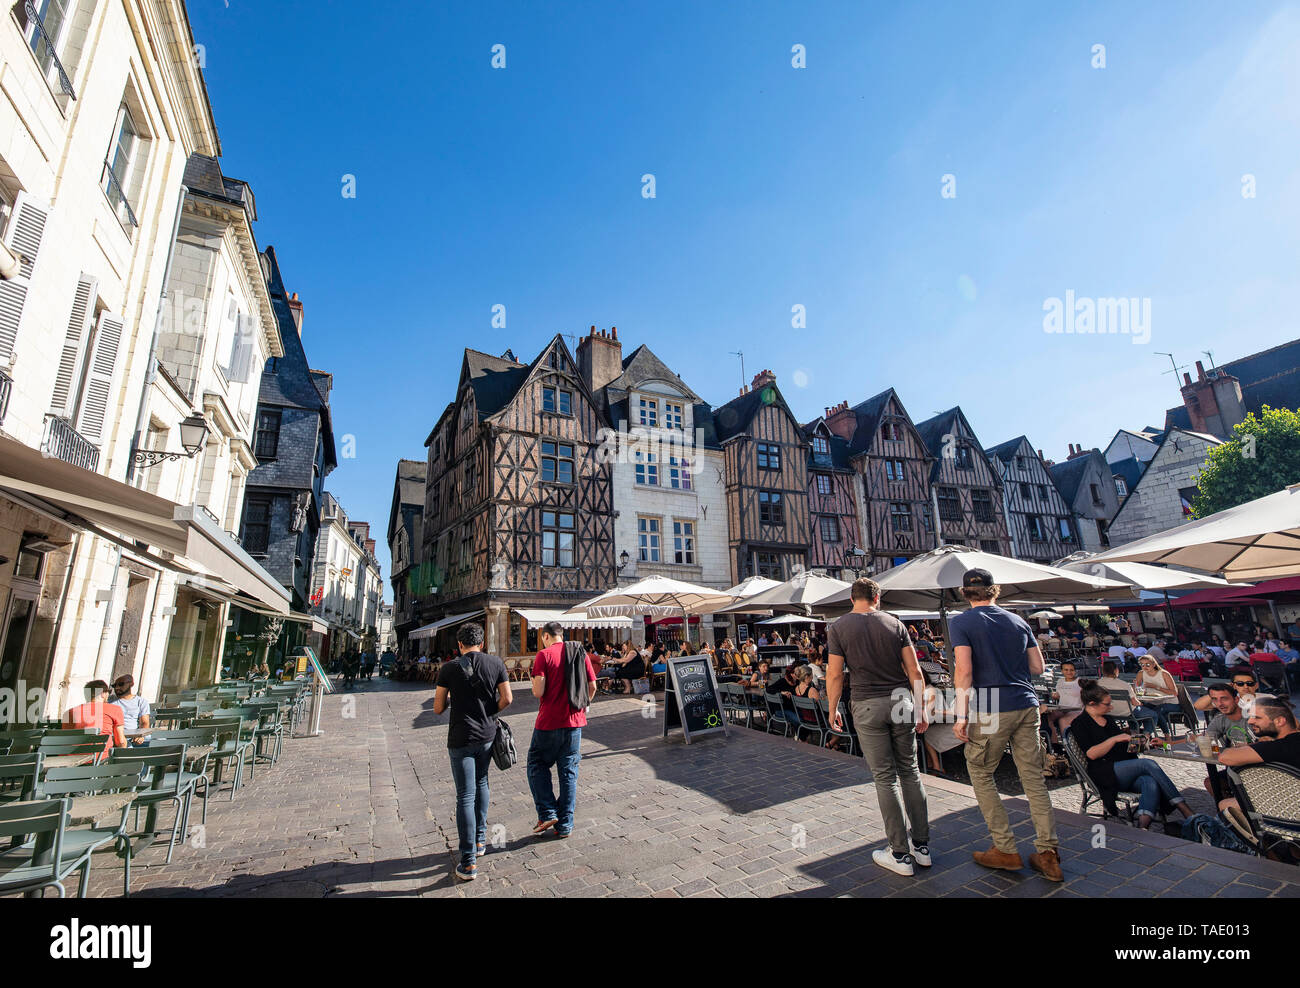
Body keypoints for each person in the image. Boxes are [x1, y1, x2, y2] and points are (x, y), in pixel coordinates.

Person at [949, 568, 1062, 882]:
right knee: (1033, 779)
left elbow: (964, 671)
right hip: (1026, 703)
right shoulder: (1018, 621)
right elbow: (1038, 666)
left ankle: (1005, 848)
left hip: (991, 706)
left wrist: (961, 715)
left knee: (980, 770)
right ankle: (1048, 853)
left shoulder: (961, 622)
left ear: (965, 593)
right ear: (994, 590)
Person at [825, 578, 930, 878]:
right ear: (877, 597)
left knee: (885, 777)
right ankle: (922, 847)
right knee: (910, 771)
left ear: (851, 598)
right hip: (901, 701)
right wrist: (921, 708)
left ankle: (899, 853)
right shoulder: (895, 624)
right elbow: (915, 670)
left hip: (867, 703)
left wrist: (832, 708)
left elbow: (835, 674)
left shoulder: (839, 628)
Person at [433, 622, 512, 882]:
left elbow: (437, 707)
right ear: (482, 642)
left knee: (465, 796)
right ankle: (479, 840)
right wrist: (489, 712)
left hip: (461, 737)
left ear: (459, 644)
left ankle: (468, 862)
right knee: (482, 782)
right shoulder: (496, 663)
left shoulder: (449, 668)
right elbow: (508, 698)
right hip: (487, 735)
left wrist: (453, 699)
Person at [1070, 682, 1195, 830]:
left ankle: (1142, 827)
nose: (1111, 707)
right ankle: (1185, 809)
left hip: (1122, 767)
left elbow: (1124, 747)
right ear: (1092, 703)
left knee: (1149, 781)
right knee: (1147, 764)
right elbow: (1092, 754)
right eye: (1107, 704)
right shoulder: (1080, 723)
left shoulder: (1107, 719)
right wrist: (1115, 739)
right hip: (1103, 772)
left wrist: (1143, 742)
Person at [528, 621, 598, 839]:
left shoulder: (544, 655)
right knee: (568, 772)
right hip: (574, 721)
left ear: (546, 636)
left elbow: (538, 691)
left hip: (549, 721)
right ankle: (565, 824)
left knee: (536, 764)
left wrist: (534, 681)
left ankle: (547, 812)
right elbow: (593, 686)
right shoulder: (579, 652)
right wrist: (582, 706)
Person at [1095, 661, 1161, 734]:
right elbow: (1135, 703)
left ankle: (1134, 733)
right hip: (1126, 712)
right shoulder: (1124, 685)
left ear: (1103, 671)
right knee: (1153, 714)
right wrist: (1140, 703)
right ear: (1116, 670)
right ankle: (1145, 736)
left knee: (1138, 713)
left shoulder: (1097, 684)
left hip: (1107, 712)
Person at [65, 680, 127, 757]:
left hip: (71, 758)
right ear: (103, 694)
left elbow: (65, 740)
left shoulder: (69, 712)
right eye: (108, 692)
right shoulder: (114, 709)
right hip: (99, 759)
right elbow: (121, 742)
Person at [1135, 655, 1179, 739]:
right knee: (1138, 710)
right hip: (1152, 701)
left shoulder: (1164, 673)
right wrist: (1138, 688)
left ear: (1154, 664)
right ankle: (1140, 734)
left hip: (1170, 702)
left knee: (1155, 712)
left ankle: (1167, 736)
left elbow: (1174, 692)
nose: (1145, 667)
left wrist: (1156, 687)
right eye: (1142, 664)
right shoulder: (1141, 673)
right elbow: (1137, 689)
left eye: (1147, 664)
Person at [1045, 661, 1083, 744]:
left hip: (1077, 709)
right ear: (1062, 671)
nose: (1069, 672)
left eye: (1071, 670)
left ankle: (1068, 745)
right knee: (1047, 718)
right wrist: (1055, 695)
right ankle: (1055, 744)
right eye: (1066, 670)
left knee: (1062, 720)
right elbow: (1060, 695)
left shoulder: (1080, 682)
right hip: (1062, 709)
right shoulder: (1060, 681)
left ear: (1075, 671)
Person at [109, 674, 151, 747]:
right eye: (114, 685)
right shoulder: (109, 700)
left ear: (131, 684)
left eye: (121, 684)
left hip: (133, 736)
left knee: (160, 740)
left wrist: (141, 736)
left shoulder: (141, 701)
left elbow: (144, 722)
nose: (117, 687)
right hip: (115, 736)